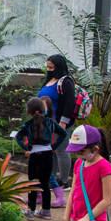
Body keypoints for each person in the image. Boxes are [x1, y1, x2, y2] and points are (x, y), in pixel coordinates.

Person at [15, 97, 68, 220]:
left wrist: (26, 147)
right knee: (45, 183)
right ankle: (46, 211)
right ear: (44, 109)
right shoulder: (50, 122)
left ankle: (31, 211)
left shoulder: (28, 125)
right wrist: (54, 146)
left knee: (32, 183)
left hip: (35, 155)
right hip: (48, 154)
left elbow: (18, 137)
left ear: (28, 110)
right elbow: (63, 133)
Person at [38, 54, 76, 190]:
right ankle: (51, 178)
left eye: (51, 67)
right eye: (47, 67)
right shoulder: (49, 80)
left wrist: (63, 122)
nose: (48, 69)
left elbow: (70, 102)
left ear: (58, 67)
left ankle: (64, 181)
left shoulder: (66, 82)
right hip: (48, 123)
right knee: (51, 151)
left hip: (60, 123)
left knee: (61, 151)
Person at [39, 95, 67, 207]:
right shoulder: (38, 121)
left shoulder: (49, 122)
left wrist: (54, 147)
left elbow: (63, 133)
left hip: (45, 152)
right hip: (37, 152)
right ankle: (38, 196)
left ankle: (60, 197)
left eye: (44, 106)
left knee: (49, 175)